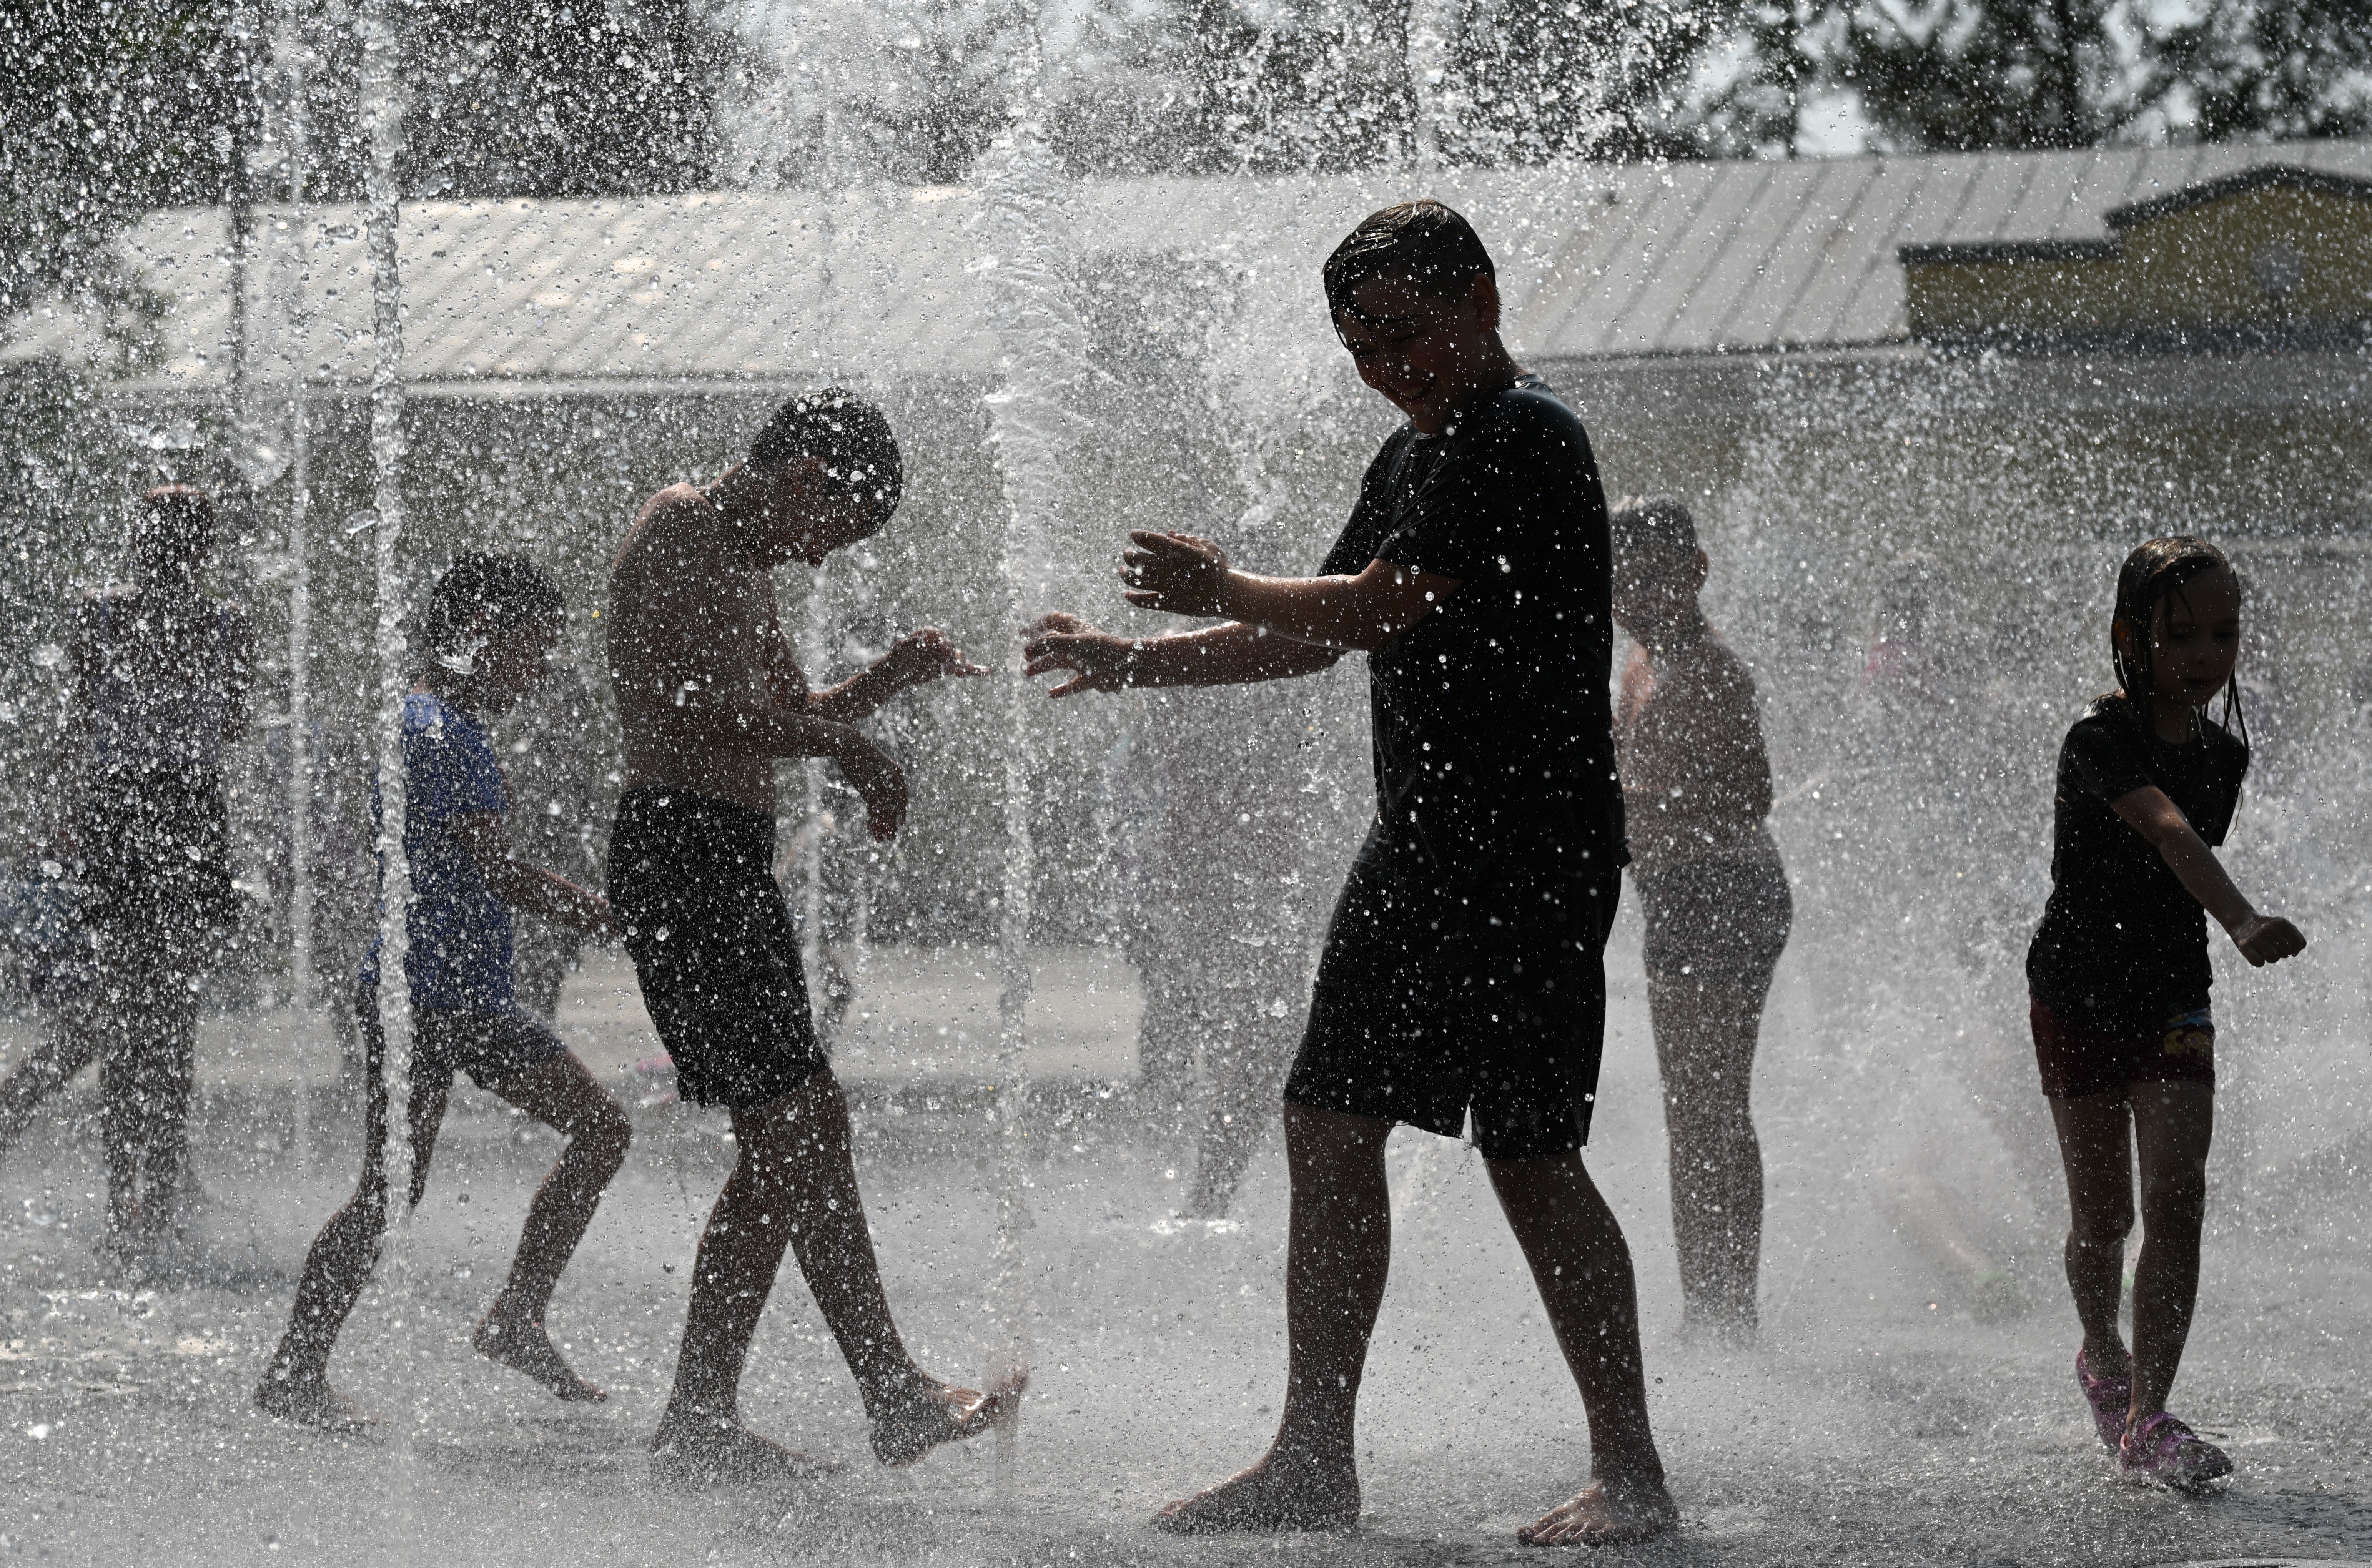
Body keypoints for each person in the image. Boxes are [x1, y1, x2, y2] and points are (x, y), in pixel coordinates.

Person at [1023, 201, 1676, 1547]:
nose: (1384, 364)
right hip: (1422, 843)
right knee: (1326, 1122)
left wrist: (1222, 585)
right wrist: (1137, 663)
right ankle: (1314, 1456)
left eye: (1403, 331)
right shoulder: (1414, 452)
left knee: (1531, 1154)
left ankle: (1633, 1474)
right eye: (1358, 344)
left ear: (1480, 298)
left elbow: (1384, 605)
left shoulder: (1524, 436)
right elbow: (1321, 636)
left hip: (1530, 850)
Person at [605, 388, 1000, 1485]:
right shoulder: (683, 530)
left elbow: (794, 710)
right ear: (802, 478)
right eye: (834, 529)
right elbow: (687, 708)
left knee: (805, 1131)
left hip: (719, 855)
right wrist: (852, 754)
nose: (822, 558)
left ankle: (883, 1396)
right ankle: (711, 1419)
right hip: (681, 853)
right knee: (794, 1131)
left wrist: (888, 682)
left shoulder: (740, 559)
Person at [256, 553, 630, 1430]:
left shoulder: (430, 720)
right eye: (531, 647)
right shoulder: (441, 733)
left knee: (590, 1134)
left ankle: (509, 1320)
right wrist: (602, 914)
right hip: (429, 999)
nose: (537, 671)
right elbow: (497, 870)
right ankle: (299, 1372)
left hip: (459, 995)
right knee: (397, 1189)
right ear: (480, 634)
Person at [2025, 536, 2305, 1491]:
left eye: (2222, 634)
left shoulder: (2226, 755)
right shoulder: (2096, 741)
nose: (2203, 655)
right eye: (2179, 635)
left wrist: (2219, 929)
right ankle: (2101, 1353)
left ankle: (2148, 1416)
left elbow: (2186, 849)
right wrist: (2243, 918)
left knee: (2178, 1198)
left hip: (2175, 998)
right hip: (2076, 995)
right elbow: (2166, 830)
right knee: (2103, 1220)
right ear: (2129, 635)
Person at [0, 487, 252, 1265]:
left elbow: (84, 716)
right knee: (169, 1024)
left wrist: (65, 810)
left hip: (118, 808)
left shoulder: (99, 615)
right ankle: (158, 1202)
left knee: (124, 1019)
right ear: (204, 551)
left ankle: (127, 1204)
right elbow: (233, 722)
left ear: (139, 542)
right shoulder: (229, 624)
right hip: (188, 808)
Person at [1608, 496, 1790, 1342]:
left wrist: (1636, 801)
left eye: (1655, 578)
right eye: (1622, 582)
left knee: (1709, 1111)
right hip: (1683, 893)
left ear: (1696, 572)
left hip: (1724, 890)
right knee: (1695, 1114)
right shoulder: (1643, 660)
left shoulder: (1713, 671)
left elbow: (1753, 792)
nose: (1636, 597)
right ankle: (1709, 1312)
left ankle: (1725, 1316)